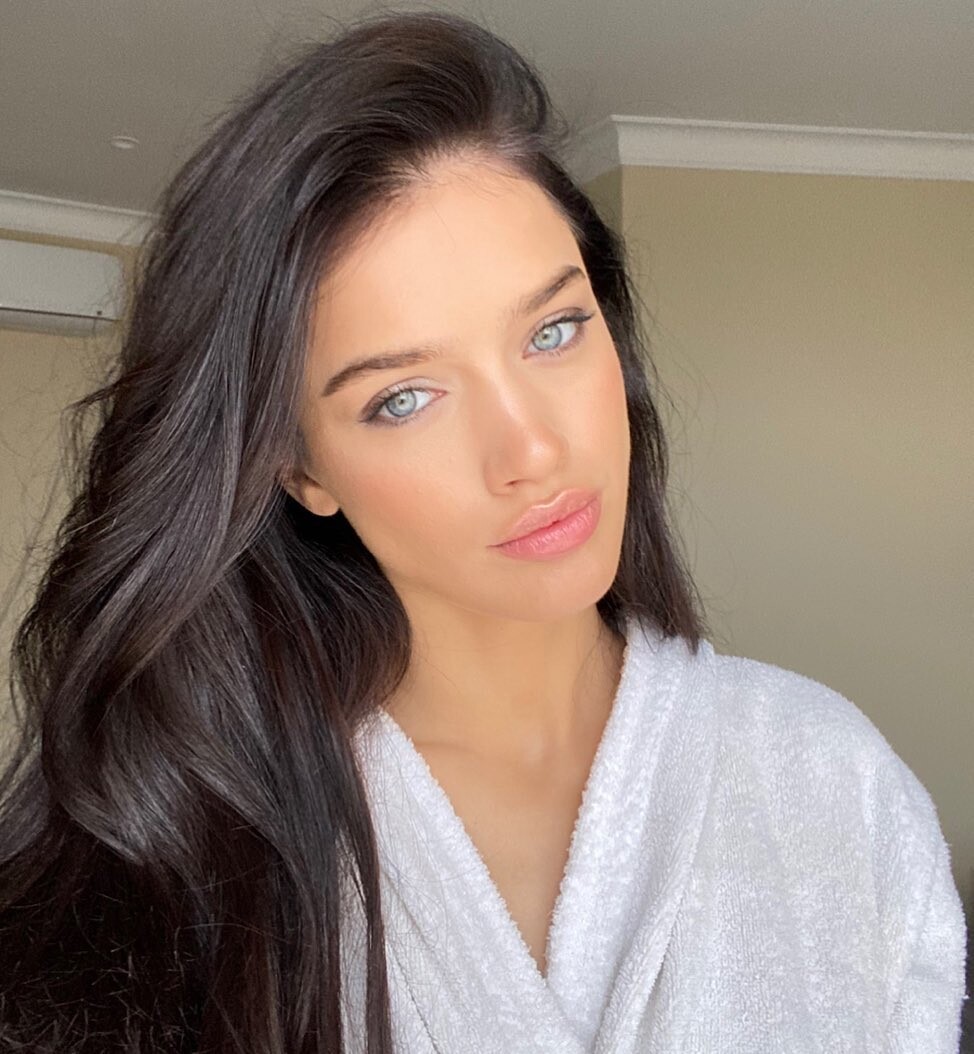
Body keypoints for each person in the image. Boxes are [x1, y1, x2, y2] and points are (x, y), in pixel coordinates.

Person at [0, 9, 966, 1054]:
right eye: (404, 398)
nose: (531, 451)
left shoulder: (830, 776)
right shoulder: (189, 858)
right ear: (300, 469)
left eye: (553, 330)